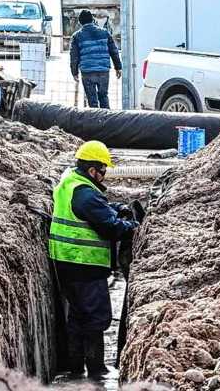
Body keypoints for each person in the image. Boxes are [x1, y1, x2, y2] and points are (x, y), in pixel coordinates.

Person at [49, 141, 138, 380]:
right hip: (83, 264)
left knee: (78, 316)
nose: (104, 175)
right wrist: (133, 227)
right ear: (92, 170)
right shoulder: (86, 194)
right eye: (103, 170)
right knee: (96, 317)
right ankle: (96, 370)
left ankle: (76, 369)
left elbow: (99, 209)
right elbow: (110, 227)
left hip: (67, 261)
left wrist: (116, 208)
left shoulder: (72, 183)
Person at [70, 10, 123, 109]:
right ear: (92, 20)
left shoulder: (77, 36)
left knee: (92, 101)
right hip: (103, 70)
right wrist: (118, 67)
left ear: (80, 22)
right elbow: (114, 51)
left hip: (87, 71)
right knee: (103, 97)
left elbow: (74, 56)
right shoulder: (105, 33)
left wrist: (74, 72)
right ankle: (107, 121)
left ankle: (95, 123)